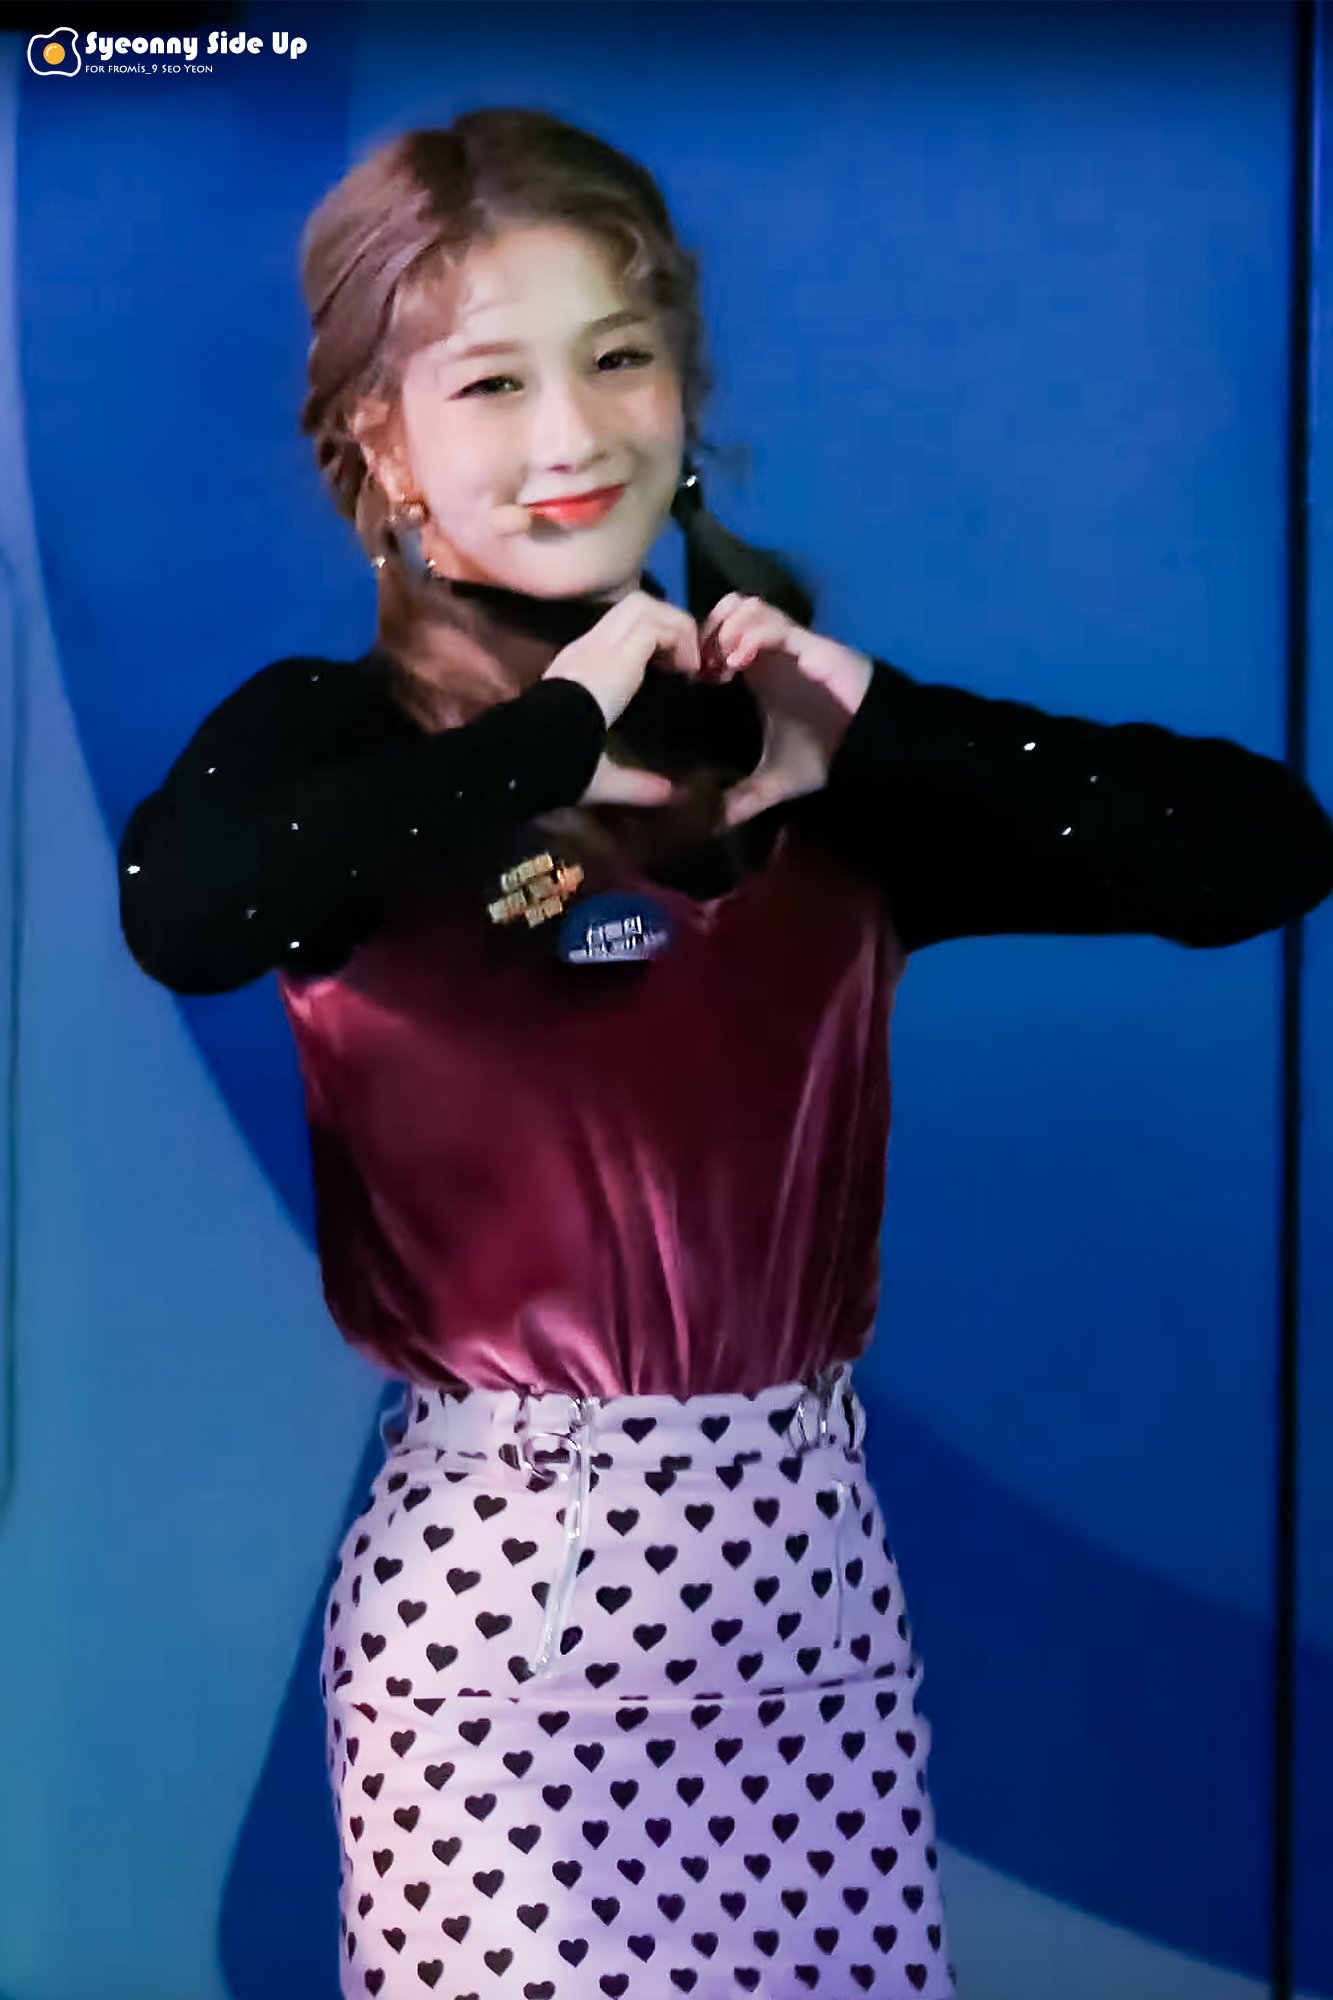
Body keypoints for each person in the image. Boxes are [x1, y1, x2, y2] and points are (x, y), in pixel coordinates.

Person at [117, 111, 1333, 2000]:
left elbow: (1261, 853)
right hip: (502, 1644)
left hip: (809, 1612)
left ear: (682, 389)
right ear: (384, 442)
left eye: (618, 358)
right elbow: (186, 914)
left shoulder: (801, 759)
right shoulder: (335, 747)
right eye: (492, 381)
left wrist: (886, 725)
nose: (571, 435)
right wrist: (547, 736)